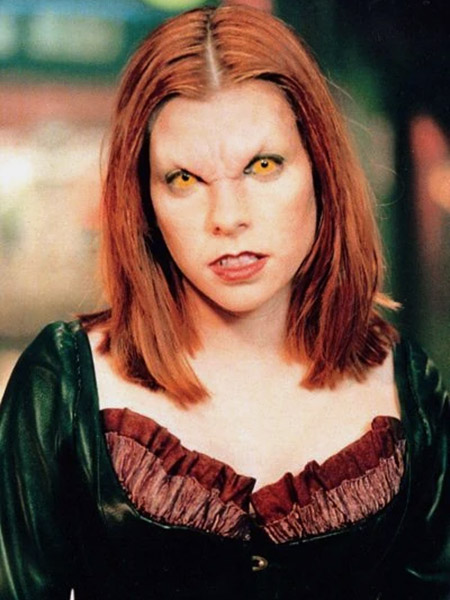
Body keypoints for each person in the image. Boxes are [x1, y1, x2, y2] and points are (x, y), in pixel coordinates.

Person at [0, 5, 449, 599]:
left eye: (262, 166)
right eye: (184, 179)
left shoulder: (409, 387)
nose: (228, 217)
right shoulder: (61, 382)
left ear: (321, 171)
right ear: (144, 201)